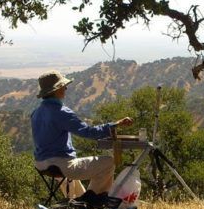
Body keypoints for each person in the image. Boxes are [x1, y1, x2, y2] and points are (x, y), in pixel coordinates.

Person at [31, 70, 133, 200]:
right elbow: (88, 132)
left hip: (41, 164)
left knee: (71, 176)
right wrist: (114, 125)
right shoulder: (61, 112)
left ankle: (77, 203)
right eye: (63, 86)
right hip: (61, 165)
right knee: (109, 162)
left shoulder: (36, 112)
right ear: (56, 90)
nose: (66, 88)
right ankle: (92, 201)